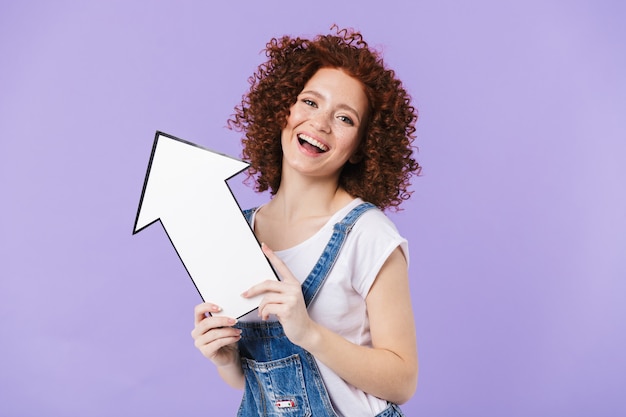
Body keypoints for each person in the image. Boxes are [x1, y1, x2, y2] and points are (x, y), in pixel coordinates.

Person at [191, 26, 420, 417]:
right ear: (283, 109)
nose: (320, 123)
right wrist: (225, 358)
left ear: (361, 147)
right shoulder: (236, 232)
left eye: (345, 118)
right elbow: (256, 384)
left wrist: (309, 332)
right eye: (310, 102)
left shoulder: (367, 234)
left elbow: (402, 380)